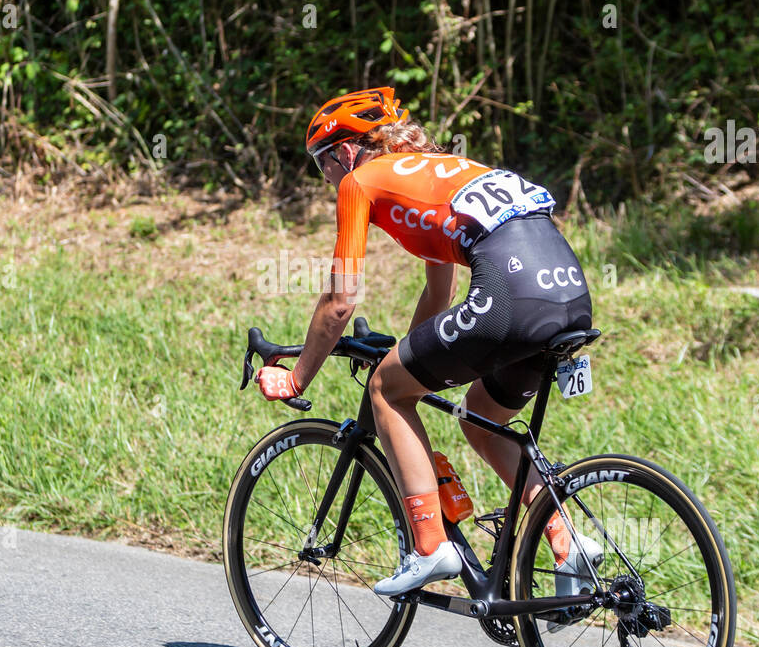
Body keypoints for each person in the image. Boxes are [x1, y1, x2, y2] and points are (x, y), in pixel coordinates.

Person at [256, 87, 601, 598]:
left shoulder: (360, 181)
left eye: (321, 164)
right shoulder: (438, 169)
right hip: (568, 293)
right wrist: (407, 356)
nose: (325, 178)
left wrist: (298, 374)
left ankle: (428, 546)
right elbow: (439, 289)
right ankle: (568, 540)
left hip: (513, 295)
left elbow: (339, 301)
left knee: (386, 391)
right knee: (480, 420)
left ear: (347, 151)